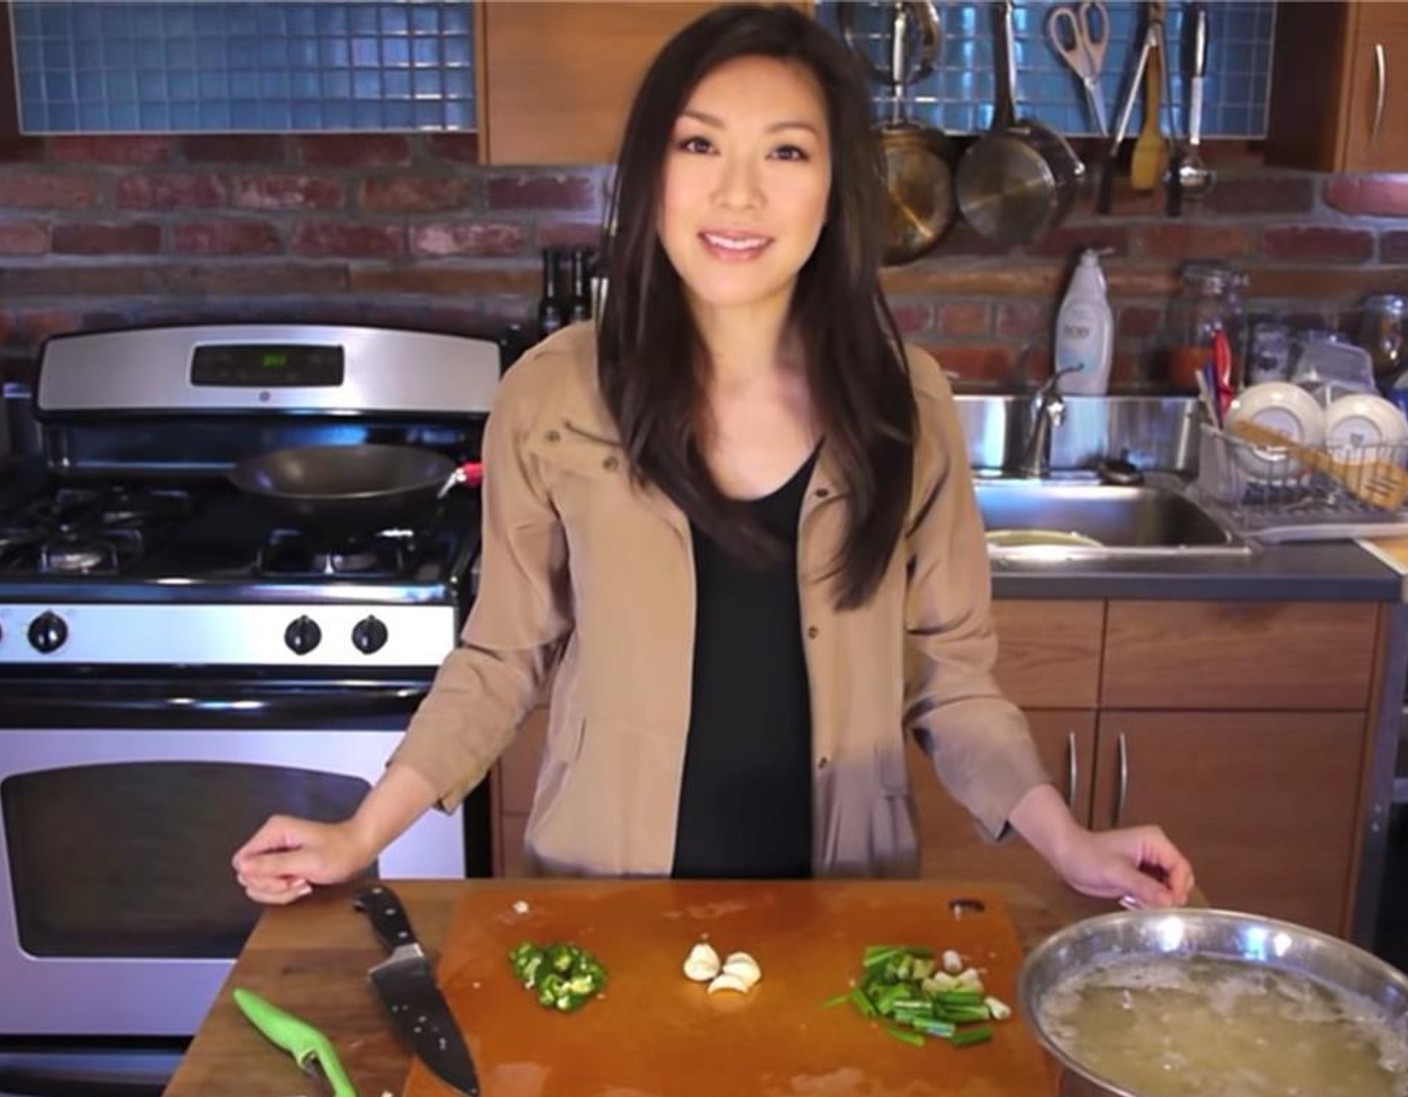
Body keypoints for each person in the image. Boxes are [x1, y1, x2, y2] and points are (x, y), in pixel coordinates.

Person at [234, 3, 1193, 908]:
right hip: (604, 900)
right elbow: (500, 656)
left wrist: (1068, 840)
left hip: (843, 910)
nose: (739, 193)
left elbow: (952, 676)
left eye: (786, 151)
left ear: (836, 189)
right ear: (651, 168)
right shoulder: (550, 394)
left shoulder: (908, 405)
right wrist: (363, 834)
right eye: (699, 144)